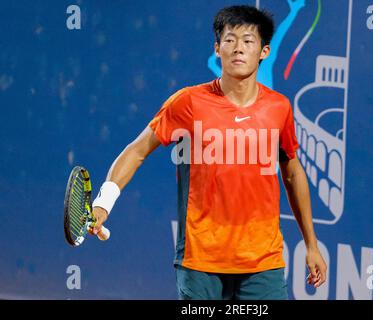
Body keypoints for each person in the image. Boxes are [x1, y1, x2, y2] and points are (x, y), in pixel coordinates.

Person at [89, 5, 327, 300]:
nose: (238, 49)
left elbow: (292, 172)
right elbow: (137, 150)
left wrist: (312, 245)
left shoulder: (279, 108)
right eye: (230, 40)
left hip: (263, 262)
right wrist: (104, 202)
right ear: (217, 48)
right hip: (200, 260)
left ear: (264, 51)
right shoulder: (188, 103)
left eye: (248, 41)